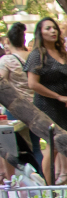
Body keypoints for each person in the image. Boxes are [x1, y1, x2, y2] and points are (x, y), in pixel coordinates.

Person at [25, 17, 67, 184]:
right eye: (48, 28)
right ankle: (50, 189)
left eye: (55, 28)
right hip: (48, 106)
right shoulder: (37, 55)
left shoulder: (62, 52)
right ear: (40, 33)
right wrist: (58, 96)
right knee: (54, 147)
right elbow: (32, 84)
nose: (53, 31)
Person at [0, 22, 44, 173]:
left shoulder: (7, 60)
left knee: (13, 148)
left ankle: (20, 184)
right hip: (36, 106)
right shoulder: (33, 56)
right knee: (36, 147)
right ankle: (41, 181)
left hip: (15, 109)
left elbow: (2, 84)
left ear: (9, 42)